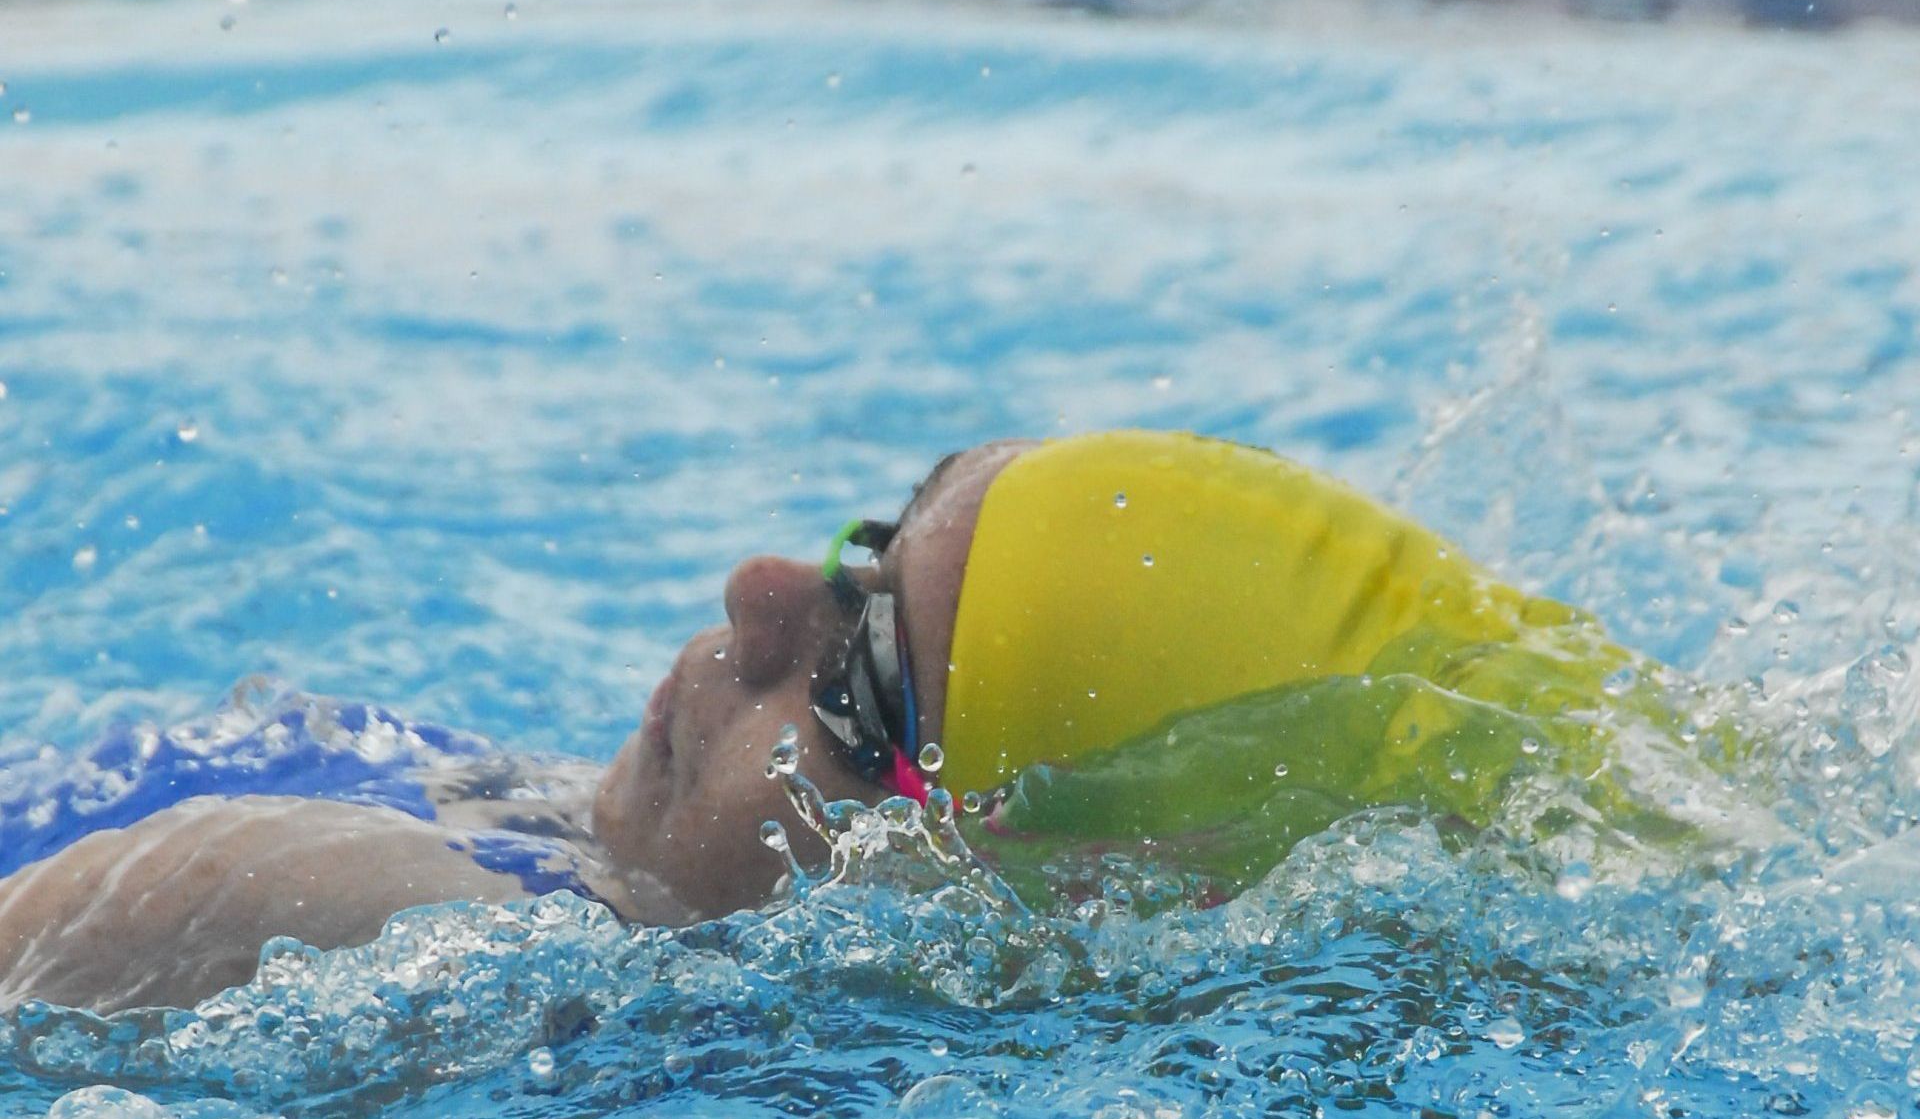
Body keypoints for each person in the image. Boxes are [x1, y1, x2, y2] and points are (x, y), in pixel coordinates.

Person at [0, 431, 1729, 1014]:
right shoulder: (481, 807)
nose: (760, 589)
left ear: (1002, 907)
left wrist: (246, 892)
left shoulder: (400, 935)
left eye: (855, 687)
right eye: (868, 545)